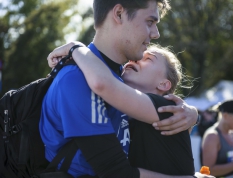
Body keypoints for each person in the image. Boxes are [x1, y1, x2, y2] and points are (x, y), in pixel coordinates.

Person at [40, 1, 206, 178]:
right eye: (150, 22)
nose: (156, 34)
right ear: (119, 14)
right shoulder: (77, 78)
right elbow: (115, 172)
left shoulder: (122, 77)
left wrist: (192, 114)